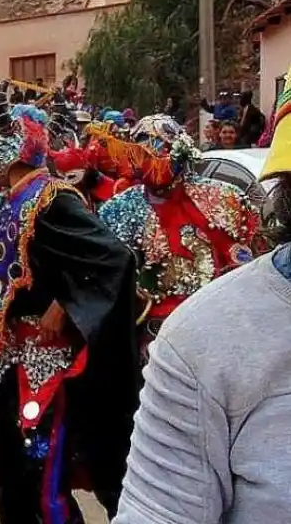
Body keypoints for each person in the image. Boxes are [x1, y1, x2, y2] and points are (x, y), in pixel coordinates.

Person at [114, 64, 291, 524]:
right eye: (144, 150)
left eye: (161, 148)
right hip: (159, 346)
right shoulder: (122, 209)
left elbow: (248, 247)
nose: (154, 159)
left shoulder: (220, 198)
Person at [0, 81, 140, 523]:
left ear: (15, 147)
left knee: (43, 480)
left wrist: (68, 303)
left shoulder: (51, 199)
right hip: (12, 359)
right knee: (14, 476)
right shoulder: (15, 200)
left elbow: (114, 258)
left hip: (44, 365)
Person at [97, 114, 259, 361]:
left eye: (156, 155)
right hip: (155, 340)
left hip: (219, 331)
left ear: (178, 152)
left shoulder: (224, 198)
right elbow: (105, 277)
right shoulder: (119, 209)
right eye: (140, 156)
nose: (148, 164)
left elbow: (250, 268)